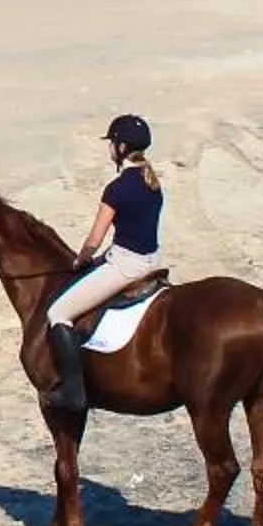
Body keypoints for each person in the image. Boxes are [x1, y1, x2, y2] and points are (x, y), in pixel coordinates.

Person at [41, 114, 167, 411]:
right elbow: (135, 232)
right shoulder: (154, 183)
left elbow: (95, 238)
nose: (110, 148)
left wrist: (82, 259)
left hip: (126, 267)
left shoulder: (118, 188)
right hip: (151, 262)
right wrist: (101, 259)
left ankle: (73, 390)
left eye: (112, 143)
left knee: (58, 312)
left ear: (121, 147)